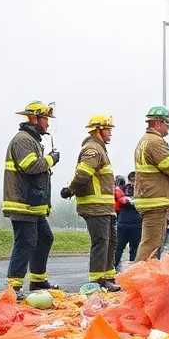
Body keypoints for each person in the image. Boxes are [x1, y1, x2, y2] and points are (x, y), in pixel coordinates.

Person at [3, 101, 62, 297]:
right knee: (25, 243)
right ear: (34, 118)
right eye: (45, 119)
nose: (47, 124)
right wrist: (51, 159)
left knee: (45, 238)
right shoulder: (23, 140)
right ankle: (14, 287)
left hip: (32, 205)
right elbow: (30, 166)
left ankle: (37, 282)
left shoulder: (32, 140)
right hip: (22, 203)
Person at [61, 115, 121, 291]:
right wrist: (70, 190)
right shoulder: (93, 149)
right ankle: (97, 281)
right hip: (94, 206)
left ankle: (108, 277)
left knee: (110, 241)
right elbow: (83, 174)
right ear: (98, 130)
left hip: (104, 207)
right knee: (101, 241)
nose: (110, 133)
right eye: (108, 130)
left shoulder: (100, 149)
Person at [133, 106, 169, 262]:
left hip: (150, 199)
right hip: (156, 201)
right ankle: (139, 282)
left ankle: (143, 279)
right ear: (157, 123)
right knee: (151, 245)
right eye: (167, 122)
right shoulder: (156, 142)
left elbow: (163, 165)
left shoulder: (146, 141)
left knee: (151, 244)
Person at [114, 173, 142, 270]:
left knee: (134, 250)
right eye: (132, 179)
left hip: (137, 224)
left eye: (136, 179)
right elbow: (116, 191)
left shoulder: (142, 190)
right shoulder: (123, 188)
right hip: (123, 223)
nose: (134, 182)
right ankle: (113, 270)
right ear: (129, 180)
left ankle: (132, 272)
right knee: (118, 248)